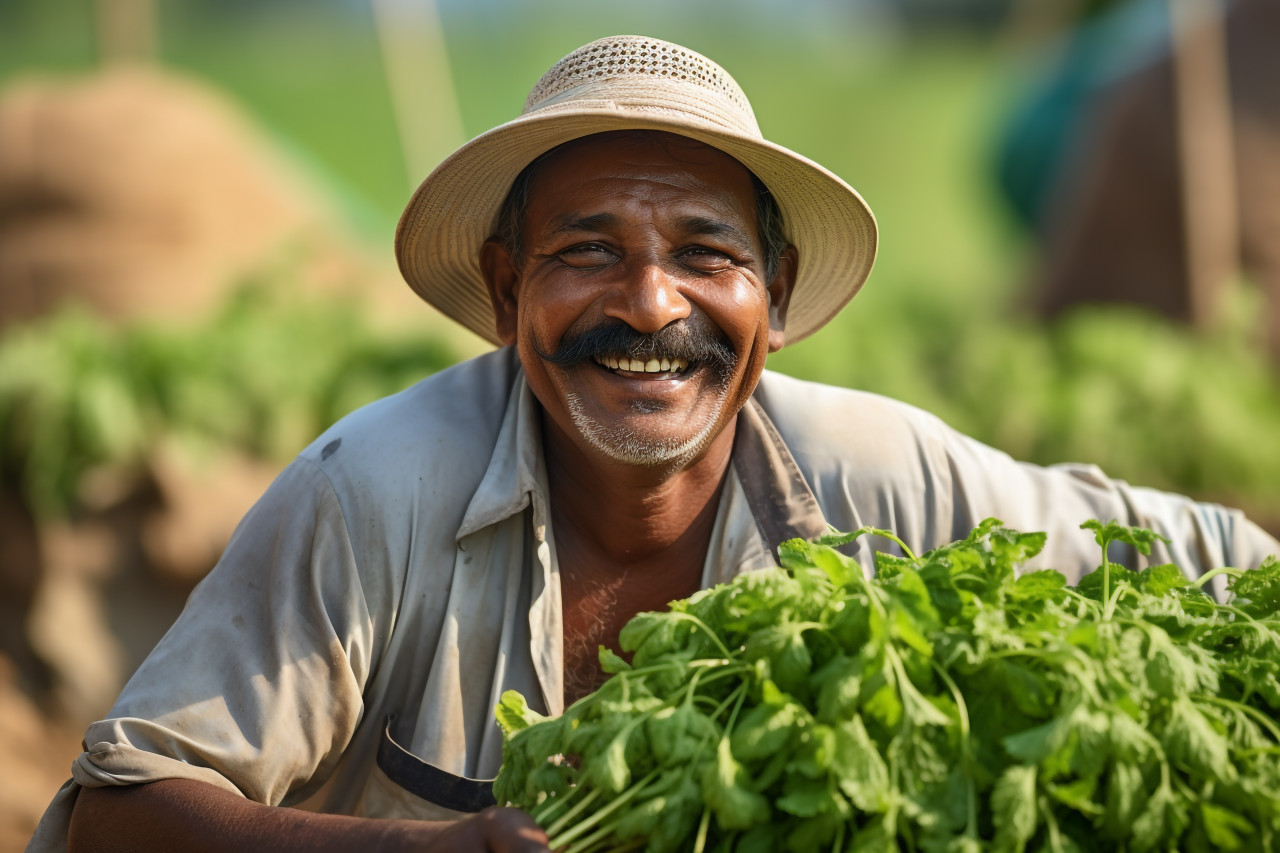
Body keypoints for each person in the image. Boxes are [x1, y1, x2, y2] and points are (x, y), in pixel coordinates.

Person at [30, 34, 1279, 853]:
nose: (647, 305)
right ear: (507, 282)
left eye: (704, 254)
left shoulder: (877, 478)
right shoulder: (376, 489)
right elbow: (119, 815)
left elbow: (1223, 558)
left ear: (773, 298)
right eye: (585, 252)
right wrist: (439, 851)